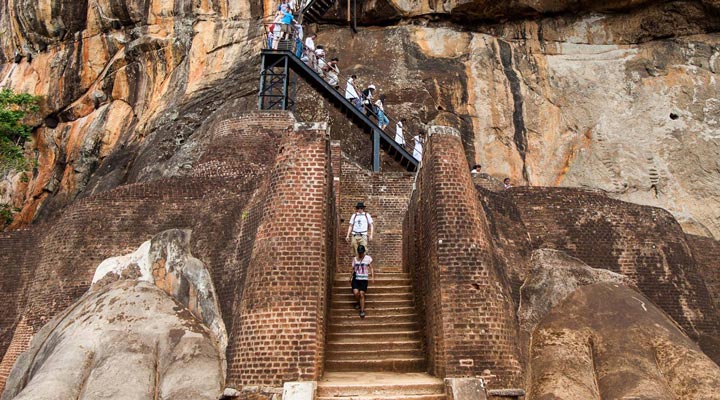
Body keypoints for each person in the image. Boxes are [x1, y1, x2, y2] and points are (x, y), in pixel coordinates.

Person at [351, 245, 374, 319]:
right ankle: (359, 302)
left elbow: (371, 268)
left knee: (361, 294)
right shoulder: (355, 259)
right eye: (359, 253)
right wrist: (350, 277)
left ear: (364, 252)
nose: (361, 254)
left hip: (364, 279)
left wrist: (372, 277)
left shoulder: (368, 258)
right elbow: (353, 269)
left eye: (362, 253)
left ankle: (362, 310)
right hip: (356, 278)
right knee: (355, 293)